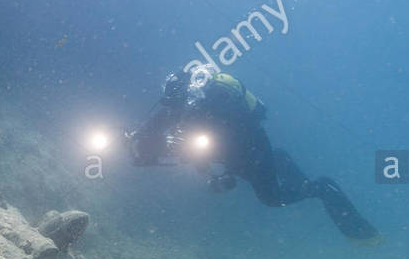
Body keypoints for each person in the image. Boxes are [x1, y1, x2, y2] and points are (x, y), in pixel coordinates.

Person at [125, 65, 382, 244]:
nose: (175, 111)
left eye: (177, 104)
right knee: (258, 169)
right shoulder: (178, 104)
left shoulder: (216, 100)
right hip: (230, 158)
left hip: (251, 152)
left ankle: (321, 188)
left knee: (271, 198)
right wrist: (138, 138)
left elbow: (230, 133)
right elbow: (161, 123)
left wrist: (209, 159)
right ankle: (281, 160)